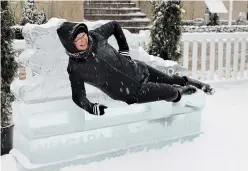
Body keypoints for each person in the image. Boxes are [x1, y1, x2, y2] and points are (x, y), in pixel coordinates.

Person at [57, 21, 214, 116]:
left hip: (138, 69)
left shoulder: (95, 36)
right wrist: (92, 108)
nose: (83, 39)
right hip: (132, 92)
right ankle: (180, 92)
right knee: (171, 91)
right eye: (77, 39)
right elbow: (78, 96)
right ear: (70, 44)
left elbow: (114, 26)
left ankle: (193, 83)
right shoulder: (75, 68)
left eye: (83, 34)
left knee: (171, 79)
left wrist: (124, 50)